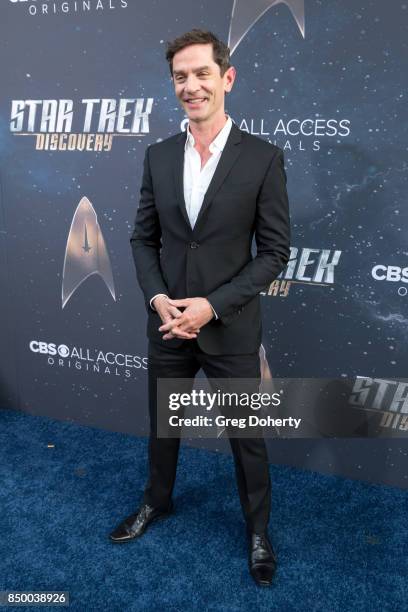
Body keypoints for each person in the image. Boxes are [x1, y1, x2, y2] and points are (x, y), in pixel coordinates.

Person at [109, 29, 291, 587]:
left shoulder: (262, 157)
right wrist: (159, 299)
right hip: (167, 325)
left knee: (246, 436)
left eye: (201, 74)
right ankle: (155, 502)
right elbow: (144, 239)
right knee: (164, 427)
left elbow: (275, 253)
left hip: (229, 325)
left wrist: (212, 306)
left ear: (227, 78)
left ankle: (258, 530)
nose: (191, 86)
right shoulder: (159, 156)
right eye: (180, 77)